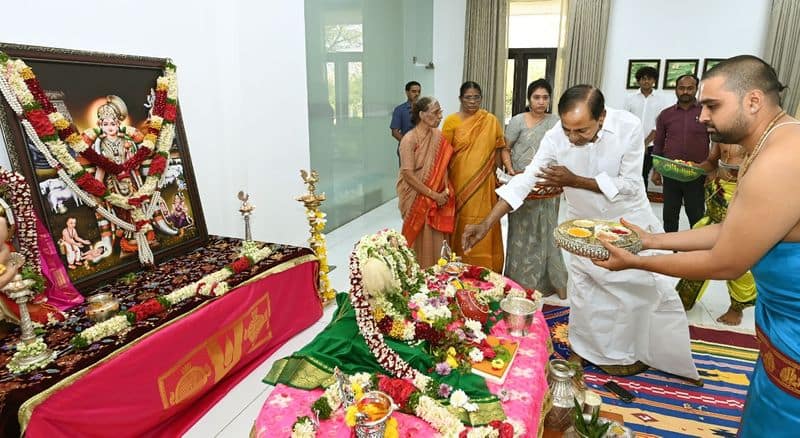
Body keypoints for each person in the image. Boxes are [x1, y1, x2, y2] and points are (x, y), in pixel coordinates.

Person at [594, 55, 799, 434]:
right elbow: (727, 229)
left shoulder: (782, 158)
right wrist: (650, 240)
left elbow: (725, 262)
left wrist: (636, 262)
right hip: (782, 336)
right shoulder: (772, 141)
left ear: (753, 100)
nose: (702, 116)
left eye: (712, 105)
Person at [462, 85, 698, 381]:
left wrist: (575, 180)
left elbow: (630, 185)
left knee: (632, 294)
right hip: (581, 226)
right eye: (567, 129)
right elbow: (525, 181)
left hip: (625, 221)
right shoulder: (555, 137)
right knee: (585, 291)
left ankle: (629, 354)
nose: (572, 138)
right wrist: (486, 223)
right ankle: (585, 349)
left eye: (581, 131)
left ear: (601, 117)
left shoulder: (628, 127)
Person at [498, 79, 567, 298]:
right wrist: (511, 171)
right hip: (522, 187)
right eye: (536, 97)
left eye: (545, 97)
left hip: (546, 188)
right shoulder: (518, 121)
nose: (541, 101)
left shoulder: (557, 123)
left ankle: (547, 282)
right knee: (521, 232)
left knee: (546, 231)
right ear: (529, 99)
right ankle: (519, 281)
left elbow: (563, 152)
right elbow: (505, 149)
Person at [675, 142, 757, 325]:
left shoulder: (761, 138)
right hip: (718, 193)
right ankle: (685, 297)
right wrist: (695, 168)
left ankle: (737, 307)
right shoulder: (722, 134)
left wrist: (742, 174)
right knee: (698, 250)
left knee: (736, 256)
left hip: (745, 198)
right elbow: (712, 162)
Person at [442, 81, 506, 272]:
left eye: (476, 97)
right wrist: (444, 184)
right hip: (459, 183)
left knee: (485, 220)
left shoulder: (490, 120)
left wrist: (498, 177)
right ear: (461, 99)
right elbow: (444, 156)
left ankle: (486, 269)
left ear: (481, 98)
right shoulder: (451, 121)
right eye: (468, 97)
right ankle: (459, 267)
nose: (472, 101)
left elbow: (497, 149)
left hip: (485, 183)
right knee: (461, 223)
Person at [397, 96, 455, 268]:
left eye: (440, 112)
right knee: (417, 238)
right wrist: (433, 195)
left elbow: (444, 166)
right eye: (436, 113)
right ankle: (417, 276)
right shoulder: (409, 139)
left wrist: (443, 192)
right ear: (422, 115)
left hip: (438, 199)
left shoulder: (438, 136)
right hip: (416, 198)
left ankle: (438, 275)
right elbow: (407, 174)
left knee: (436, 238)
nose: (440, 116)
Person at [652, 75, 710, 232]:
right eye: (681, 88)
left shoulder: (706, 113)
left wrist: (712, 170)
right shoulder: (665, 115)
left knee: (696, 215)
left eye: (690, 88)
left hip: (697, 173)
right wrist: (656, 170)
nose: (685, 91)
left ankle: (696, 251)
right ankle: (670, 250)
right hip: (671, 171)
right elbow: (658, 143)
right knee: (670, 215)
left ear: (696, 89)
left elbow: (716, 142)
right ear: (676, 90)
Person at [624, 66, 671, 189]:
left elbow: (660, 125)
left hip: (651, 145)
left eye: (649, 79)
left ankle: (641, 203)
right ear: (638, 81)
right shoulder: (630, 98)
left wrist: (644, 143)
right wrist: (636, 143)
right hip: (632, 143)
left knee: (643, 174)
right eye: (643, 79)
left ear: (654, 81)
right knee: (630, 173)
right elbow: (626, 121)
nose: (646, 81)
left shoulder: (661, 100)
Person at [390, 81, 421, 161]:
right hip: (406, 149)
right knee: (406, 173)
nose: (417, 94)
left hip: (422, 149)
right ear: (407, 92)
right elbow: (395, 132)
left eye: (419, 92)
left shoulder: (424, 109)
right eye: (414, 91)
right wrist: (409, 143)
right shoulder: (399, 110)